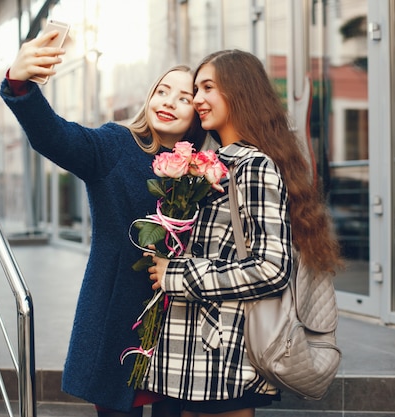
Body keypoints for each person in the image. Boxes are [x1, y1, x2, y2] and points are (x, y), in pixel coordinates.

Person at [0, 29, 211, 417]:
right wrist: (20, 84)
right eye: (163, 90)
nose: (169, 102)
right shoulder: (114, 145)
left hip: (180, 325)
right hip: (116, 320)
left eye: (185, 98)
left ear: (199, 114)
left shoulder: (205, 172)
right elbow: (55, 136)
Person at [144, 49, 343, 417]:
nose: (198, 99)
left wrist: (178, 274)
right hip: (201, 352)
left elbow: (271, 268)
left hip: (223, 352)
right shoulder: (220, 162)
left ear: (239, 93)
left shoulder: (253, 166)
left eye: (207, 88)